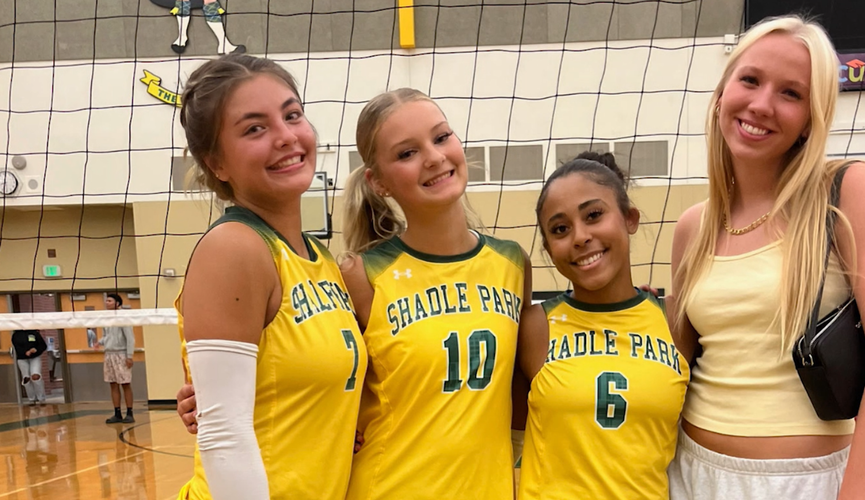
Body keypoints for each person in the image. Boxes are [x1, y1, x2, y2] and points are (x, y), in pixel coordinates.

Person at [668, 15, 865, 499]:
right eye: (750, 80)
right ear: (722, 93)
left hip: (801, 482)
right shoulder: (692, 227)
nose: (761, 104)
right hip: (689, 475)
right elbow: (678, 368)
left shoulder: (849, 192)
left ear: (812, 118)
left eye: (791, 93)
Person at [174, 53, 366, 500]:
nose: (286, 136)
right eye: (255, 128)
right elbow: (223, 434)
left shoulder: (320, 260)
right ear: (216, 163)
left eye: (292, 114)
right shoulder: (234, 248)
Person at [337, 88, 531, 500]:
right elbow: (312, 366)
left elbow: (526, 378)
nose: (434, 157)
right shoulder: (361, 274)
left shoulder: (512, 264)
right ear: (379, 182)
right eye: (407, 153)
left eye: (441, 137)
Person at [516, 152, 689, 499]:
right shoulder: (534, 326)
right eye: (560, 229)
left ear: (629, 218)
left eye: (593, 215)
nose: (580, 237)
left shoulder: (677, 321)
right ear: (549, 251)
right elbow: (506, 433)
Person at [100, 293, 136, 424]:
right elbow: (106, 336)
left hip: (121, 354)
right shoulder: (105, 318)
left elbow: (130, 338)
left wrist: (129, 356)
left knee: (125, 383)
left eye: (109, 301)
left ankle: (130, 413)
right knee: (113, 384)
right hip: (109, 354)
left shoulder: (123, 317)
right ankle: (117, 413)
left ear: (117, 303)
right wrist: (99, 342)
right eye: (106, 300)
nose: (106, 302)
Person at [12, 329, 48, 405]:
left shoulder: (34, 333)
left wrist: (35, 350)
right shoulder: (16, 335)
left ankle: (41, 398)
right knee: (26, 379)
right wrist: (25, 352)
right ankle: (31, 399)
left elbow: (43, 345)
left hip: (35, 357)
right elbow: (17, 348)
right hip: (22, 359)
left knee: (35, 376)